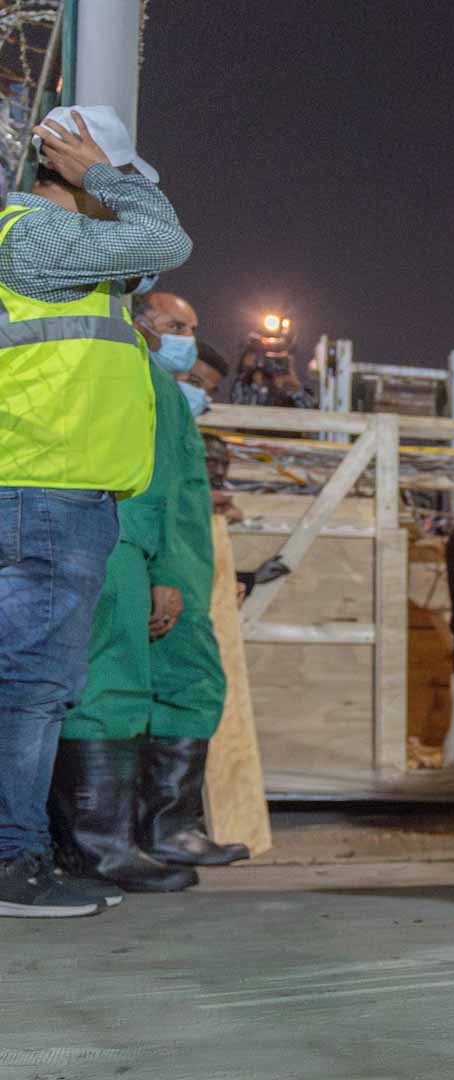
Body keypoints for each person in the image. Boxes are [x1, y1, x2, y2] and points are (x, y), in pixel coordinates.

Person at [0, 105, 192, 918]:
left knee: (34, 686)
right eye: (119, 180)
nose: (125, 197)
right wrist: (100, 173)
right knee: (30, 689)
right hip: (42, 493)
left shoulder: (71, 257)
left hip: (56, 493)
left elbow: (147, 262)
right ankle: (13, 860)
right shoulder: (35, 237)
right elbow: (168, 241)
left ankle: (25, 851)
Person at [49, 291, 250, 896]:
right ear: (139, 321)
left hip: (170, 558)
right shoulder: (126, 370)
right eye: (175, 326)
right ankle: (100, 843)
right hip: (133, 548)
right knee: (113, 682)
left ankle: (156, 828)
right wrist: (154, 561)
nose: (185, 339)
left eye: (192, 326)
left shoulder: (161, 389)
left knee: (180, 681)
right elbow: (134, 478)